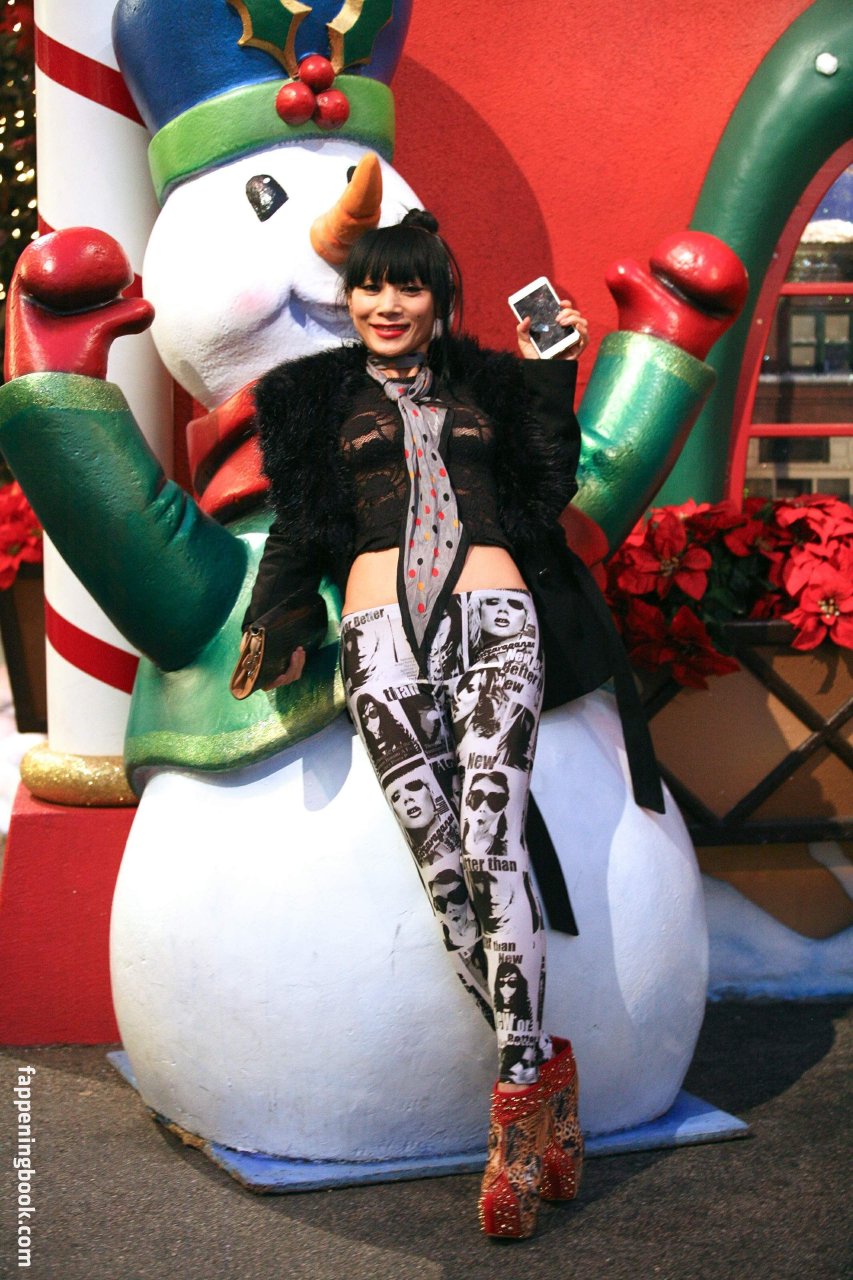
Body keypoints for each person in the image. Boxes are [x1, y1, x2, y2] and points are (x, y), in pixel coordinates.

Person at [241, 209, 664, 1238]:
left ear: (440, 297)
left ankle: (514, 1113)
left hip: (496, 622)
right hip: (379, 637)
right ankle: (547, 1078)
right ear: (349, 297)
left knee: (488, 842)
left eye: (409, 286)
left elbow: (544, 489)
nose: (386, 304)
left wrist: (548, 376)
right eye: (369, 285)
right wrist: (275, 617)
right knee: (441, 870)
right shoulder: (309, 398)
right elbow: (300, 527)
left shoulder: (493, 385)